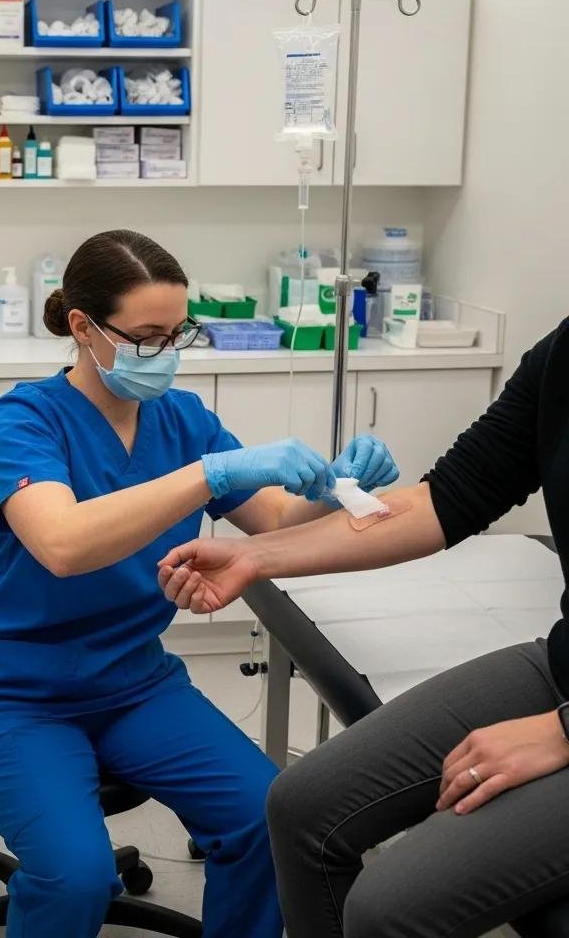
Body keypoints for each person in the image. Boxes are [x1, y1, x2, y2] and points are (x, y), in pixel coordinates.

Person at [0, 229, 398, 938]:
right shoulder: (26, 419)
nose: (165, 352)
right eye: (148, 336)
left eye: (177, 333)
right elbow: (64, 545)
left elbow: (277, 519)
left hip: (136, 683)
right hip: (16, 693)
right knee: (76, 877)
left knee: (268, 819)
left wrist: (340, 486)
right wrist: (212, 473)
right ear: (83, 327)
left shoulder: (183, 419)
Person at [157, 318, 569, 938]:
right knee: (300, 808)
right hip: (561, 665)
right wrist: (254, 557)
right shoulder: (561, 354)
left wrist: (561, 732)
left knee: (386, 909)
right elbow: (445, 497)